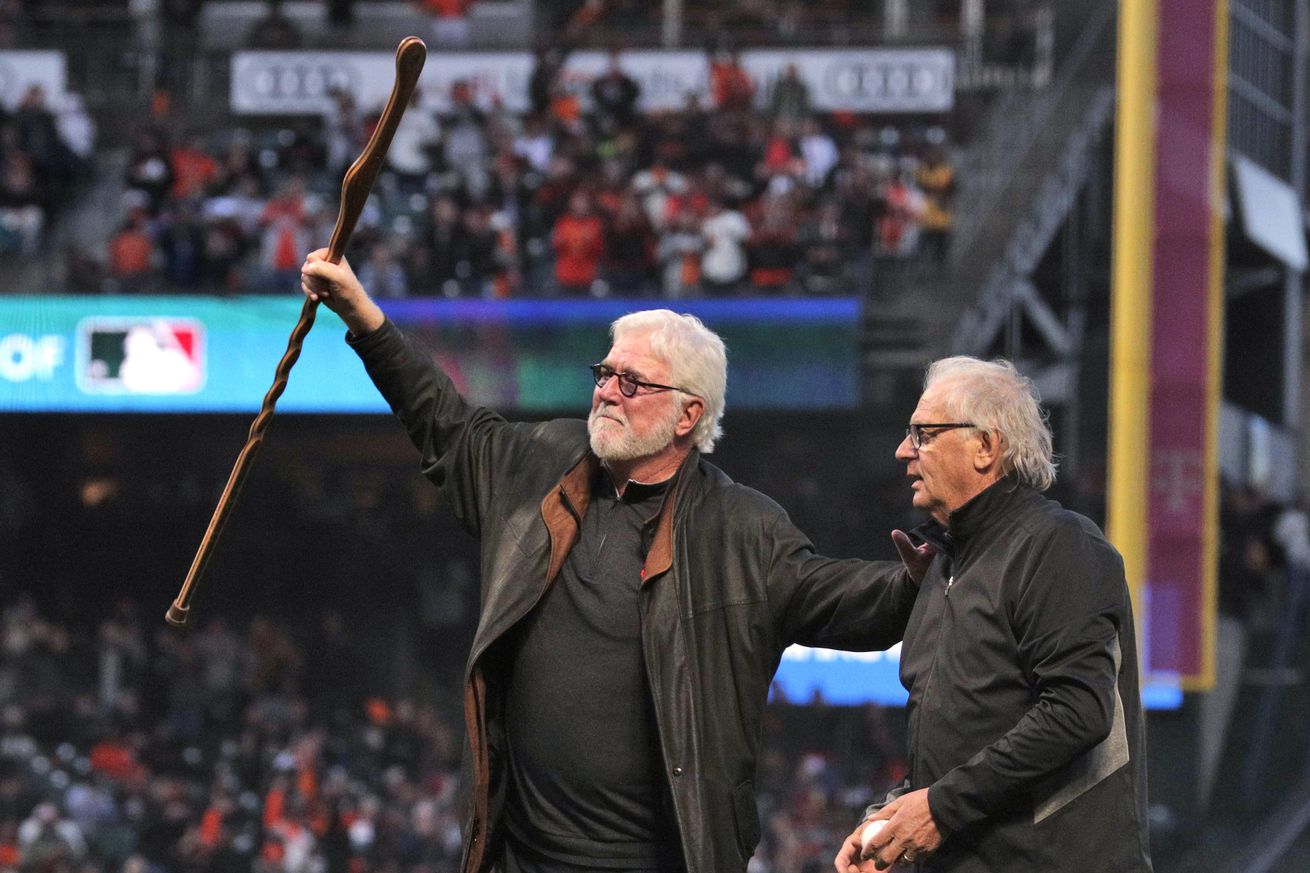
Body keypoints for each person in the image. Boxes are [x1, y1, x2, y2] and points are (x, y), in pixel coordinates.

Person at [300, 251, 931, 873]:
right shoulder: (542, 463)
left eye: (633, 383)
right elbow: (444, 423)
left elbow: (839, 598)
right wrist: (364, 317)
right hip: (519, 857)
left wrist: (920, 583)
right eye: (605, 373)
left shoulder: (741, 528)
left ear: (690, 414)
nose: (606, 392)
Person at [835, 357, 1152, 873]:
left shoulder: (1058, 545)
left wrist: (937, 807)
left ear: (985, 446)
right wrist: (890, 821)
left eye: (923, 434)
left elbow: (1077, 711)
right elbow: (959, 746)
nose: (902, 451)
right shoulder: (940, 567)